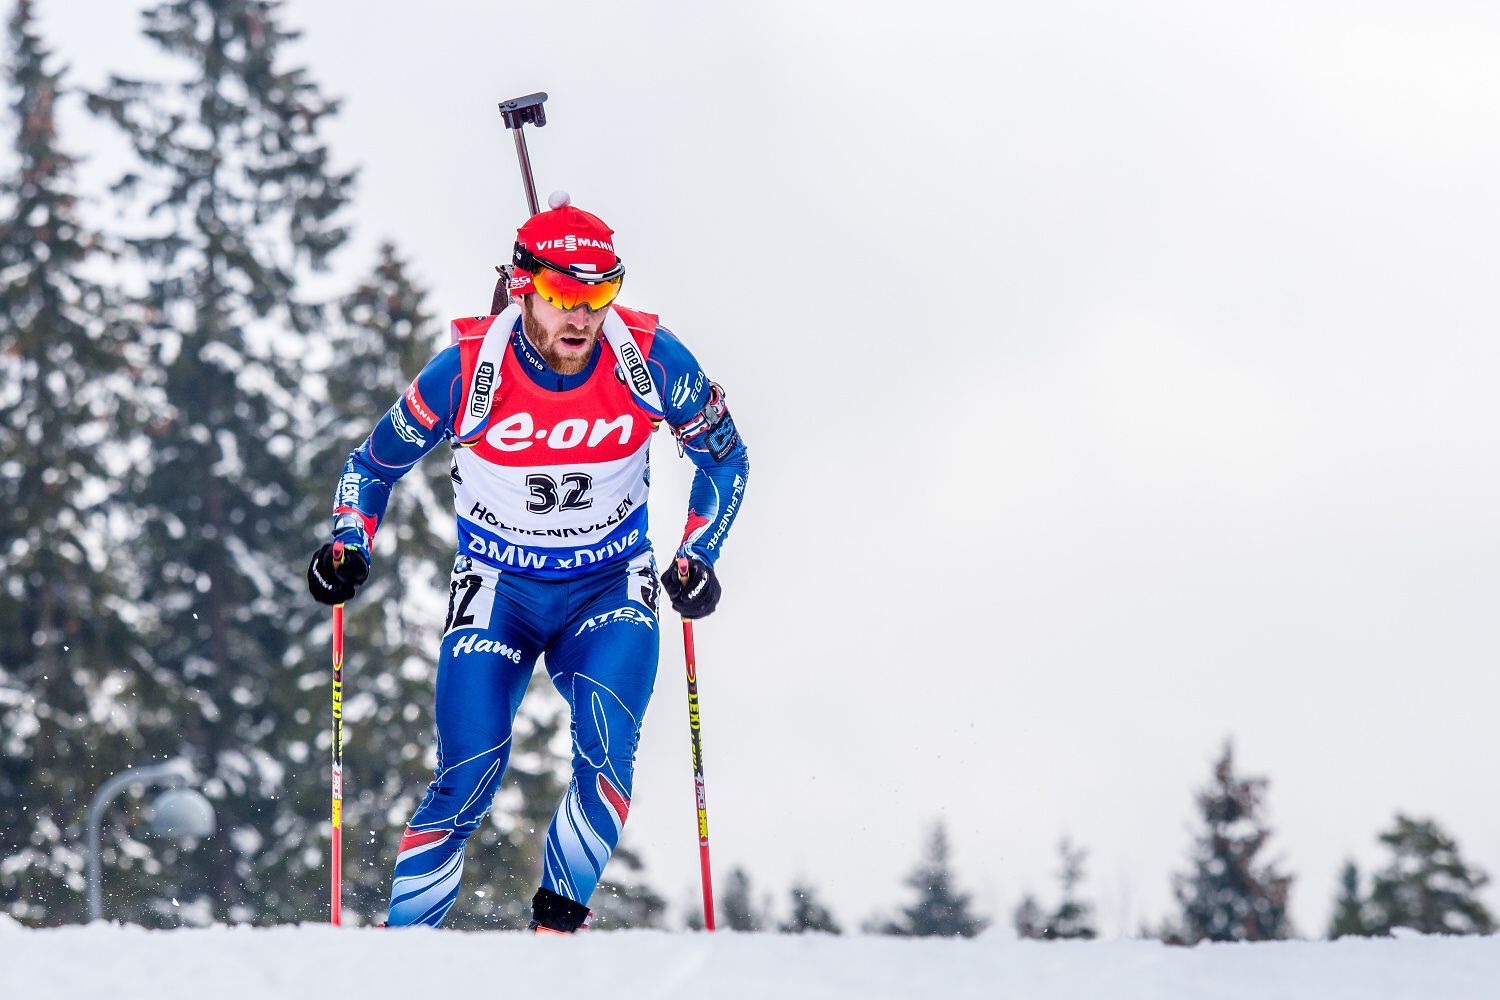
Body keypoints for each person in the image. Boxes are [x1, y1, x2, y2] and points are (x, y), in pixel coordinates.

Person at [306, 192, 748, 932]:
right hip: (499, 589)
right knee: (469, 774)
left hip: (610, 584)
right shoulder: (465, 373)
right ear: (524, 287)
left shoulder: (651, 363)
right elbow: (370, 465)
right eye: (564, 295)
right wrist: (348, 542)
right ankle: (399, 964)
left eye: (599, 294)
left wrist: (697, 553)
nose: (582, 316)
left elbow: (724, 462)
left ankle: (551, 942)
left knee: (607, 756)